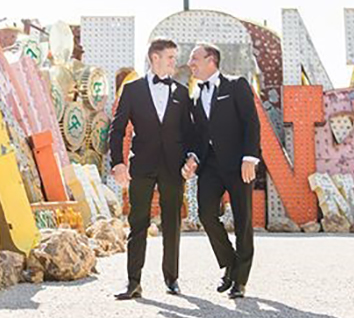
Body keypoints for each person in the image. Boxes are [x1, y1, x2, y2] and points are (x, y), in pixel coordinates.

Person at [109, 39, 197, 299]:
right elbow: (117, 129)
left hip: (173, 167)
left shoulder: (181, 92)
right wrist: (118, 163)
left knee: (172, 224)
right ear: (154, 58)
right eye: (170, 57)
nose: (174, 61)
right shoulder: (132, 90)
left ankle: (172, 279)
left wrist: (191, 158)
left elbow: (189, 131)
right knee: (138, 223)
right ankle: (133, 282)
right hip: (142, 166)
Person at [186, 43, 262, 299]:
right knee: (206, 214)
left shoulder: (236, 85)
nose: (190, 63)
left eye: (194, 58)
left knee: (243, 219)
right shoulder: (196, 95)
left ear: (211, 60)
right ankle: (230, 262)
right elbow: (199, 135)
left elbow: (251, 122)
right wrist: (194, 157)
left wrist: (250, 157)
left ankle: (240, 280)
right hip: (210, 166)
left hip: (239, 164)